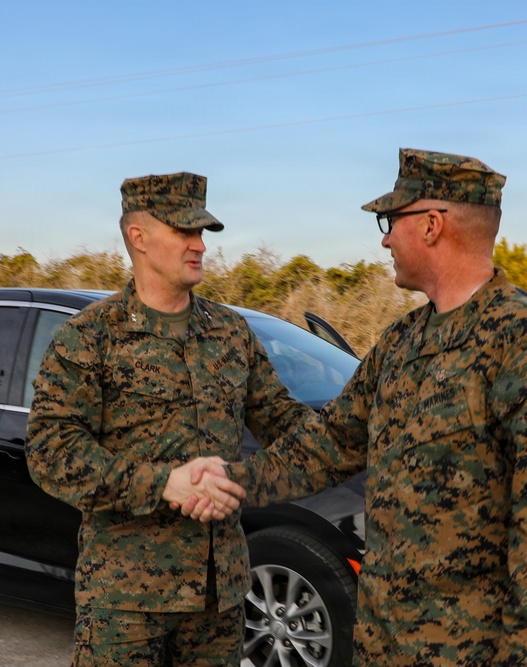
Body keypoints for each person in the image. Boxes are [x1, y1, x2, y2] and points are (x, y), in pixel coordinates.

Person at [213, 149, 527, 665]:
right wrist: (231, 482)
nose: (384, 238)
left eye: (390, 221)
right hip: (381, 646)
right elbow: (329, 445)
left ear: (431, 225)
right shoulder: (401, 341)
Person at [26, 172, 320, 666]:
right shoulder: (89, 338)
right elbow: (50, 452)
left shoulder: (229, 331)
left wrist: (360, 426)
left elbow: (281, 418)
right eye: (184, 231)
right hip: (125, 601)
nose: (199, 245)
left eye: (202, 233)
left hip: (218, 594)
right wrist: (164, 484)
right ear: (138, 238)